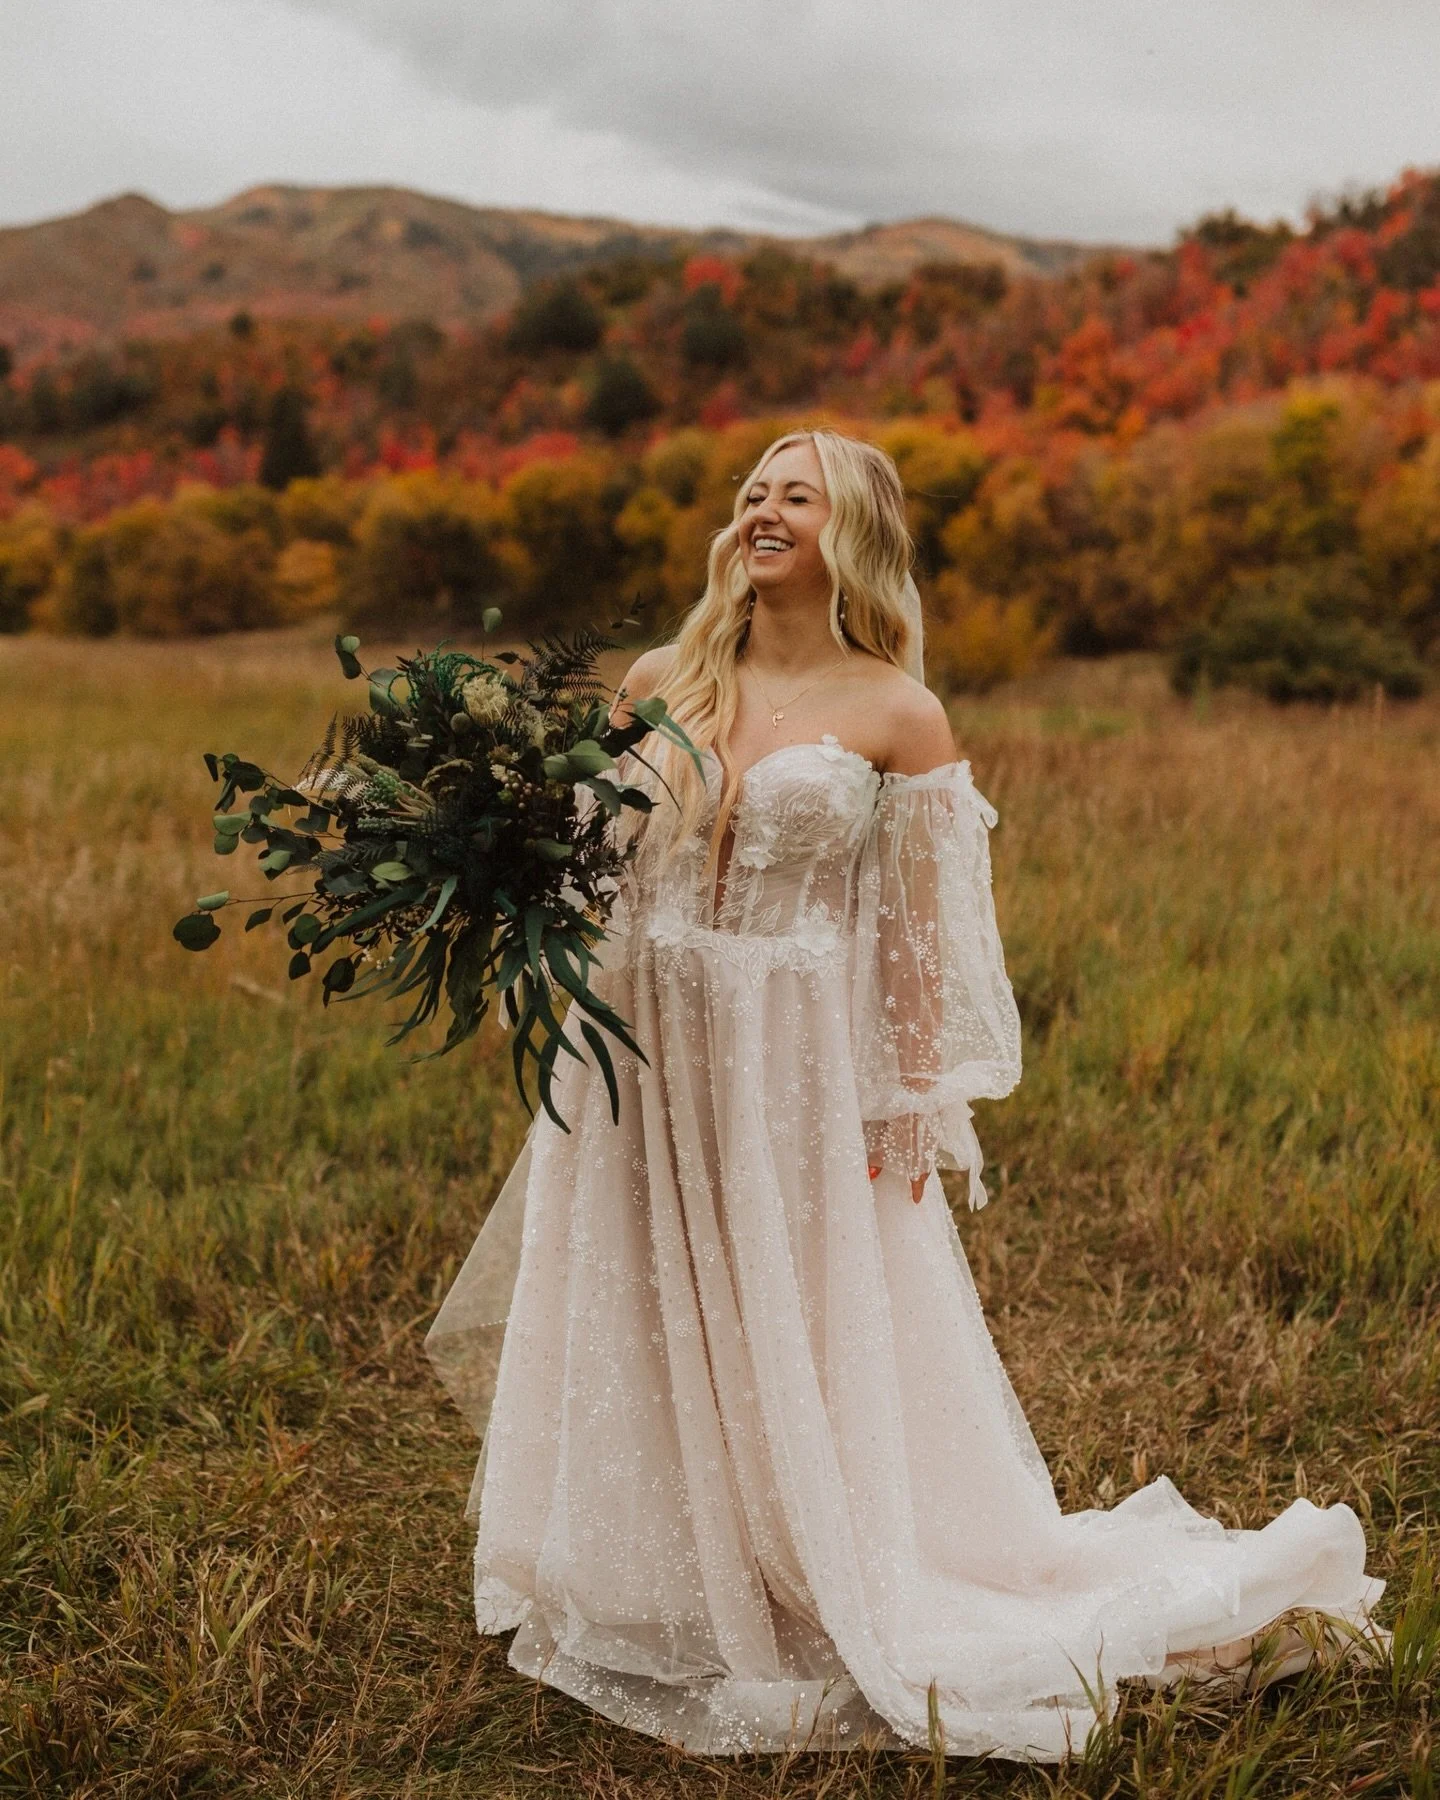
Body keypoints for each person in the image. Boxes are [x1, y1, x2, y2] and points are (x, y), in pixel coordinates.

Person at [426, 429, 1383, 1761]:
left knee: (802, 1294)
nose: (761, 509)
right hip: (645, 1040)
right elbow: (580, 856)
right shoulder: (662, 678)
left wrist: (911, 1094)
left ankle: (818, 1556)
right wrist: (480, 852)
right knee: (644, 1281)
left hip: (794, 1056)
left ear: (852, 533)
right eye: (752, 491)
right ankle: (675, 1570)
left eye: (793, 496)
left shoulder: (898, 714)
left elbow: (922, 931)